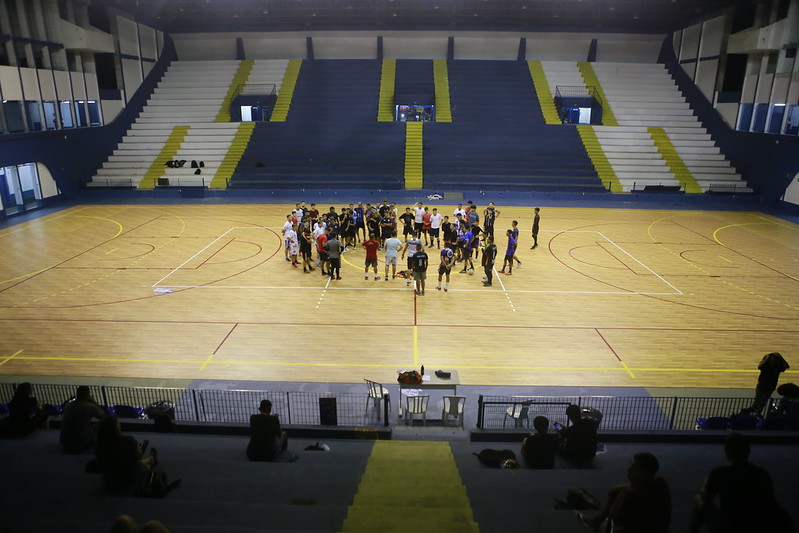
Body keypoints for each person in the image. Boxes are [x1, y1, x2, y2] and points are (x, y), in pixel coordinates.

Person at [690, 433, 793, 533]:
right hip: (759, 525)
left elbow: (706, 497)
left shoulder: (719, 473)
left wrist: (706, 482)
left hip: (729, 527)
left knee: (698, 500)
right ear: (748, 451)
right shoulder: (762, 474)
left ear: (727, 452)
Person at [576, 452, 671, 533]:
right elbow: (613, 491)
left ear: (643, 472)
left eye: (634, 468)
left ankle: (598, 524)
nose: (628, 469)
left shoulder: (630, 494)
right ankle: (596, 521)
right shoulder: (659, 482)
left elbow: (615, 517)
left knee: (610, 521)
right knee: (615, 492)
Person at [95, 415, 157, 495]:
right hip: (128, 476)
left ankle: (149, 459)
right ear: (116, 428)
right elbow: (138, 455)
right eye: (118, 424)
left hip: (109, 478)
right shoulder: (128, 440)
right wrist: (136, 448)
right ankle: (151, 459)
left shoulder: (99, 446)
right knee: (145, 466)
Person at [60, 385, 107, 453]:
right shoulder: (89, 406)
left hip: (64, 442)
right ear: (88, 395)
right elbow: (105, 418)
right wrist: (94, 402)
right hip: (81, 443)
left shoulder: (68, 405)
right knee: (99, 426)